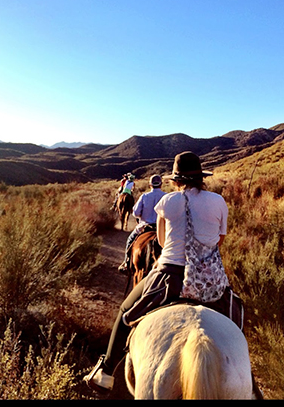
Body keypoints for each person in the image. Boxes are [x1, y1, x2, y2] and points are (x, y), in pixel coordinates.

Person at [83, 151, 229, 393]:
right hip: (209, 277)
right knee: (235, 312)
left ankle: (107, 373)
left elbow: (161, 241)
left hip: (169, 275)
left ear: (176, 179)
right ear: (201, 176)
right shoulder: (218, 201)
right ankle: (252, 384)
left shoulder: (167, 202)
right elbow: (219, 239)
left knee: (125, 310)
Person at [118, 174, 166, 274]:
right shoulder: (166, 196)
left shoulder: (144, 196)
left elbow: (135, 213)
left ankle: (126, 263)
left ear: (150, 185)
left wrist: (143, 216)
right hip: (162, 229)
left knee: (130, 239)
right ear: (161, 185)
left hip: (145, 226)